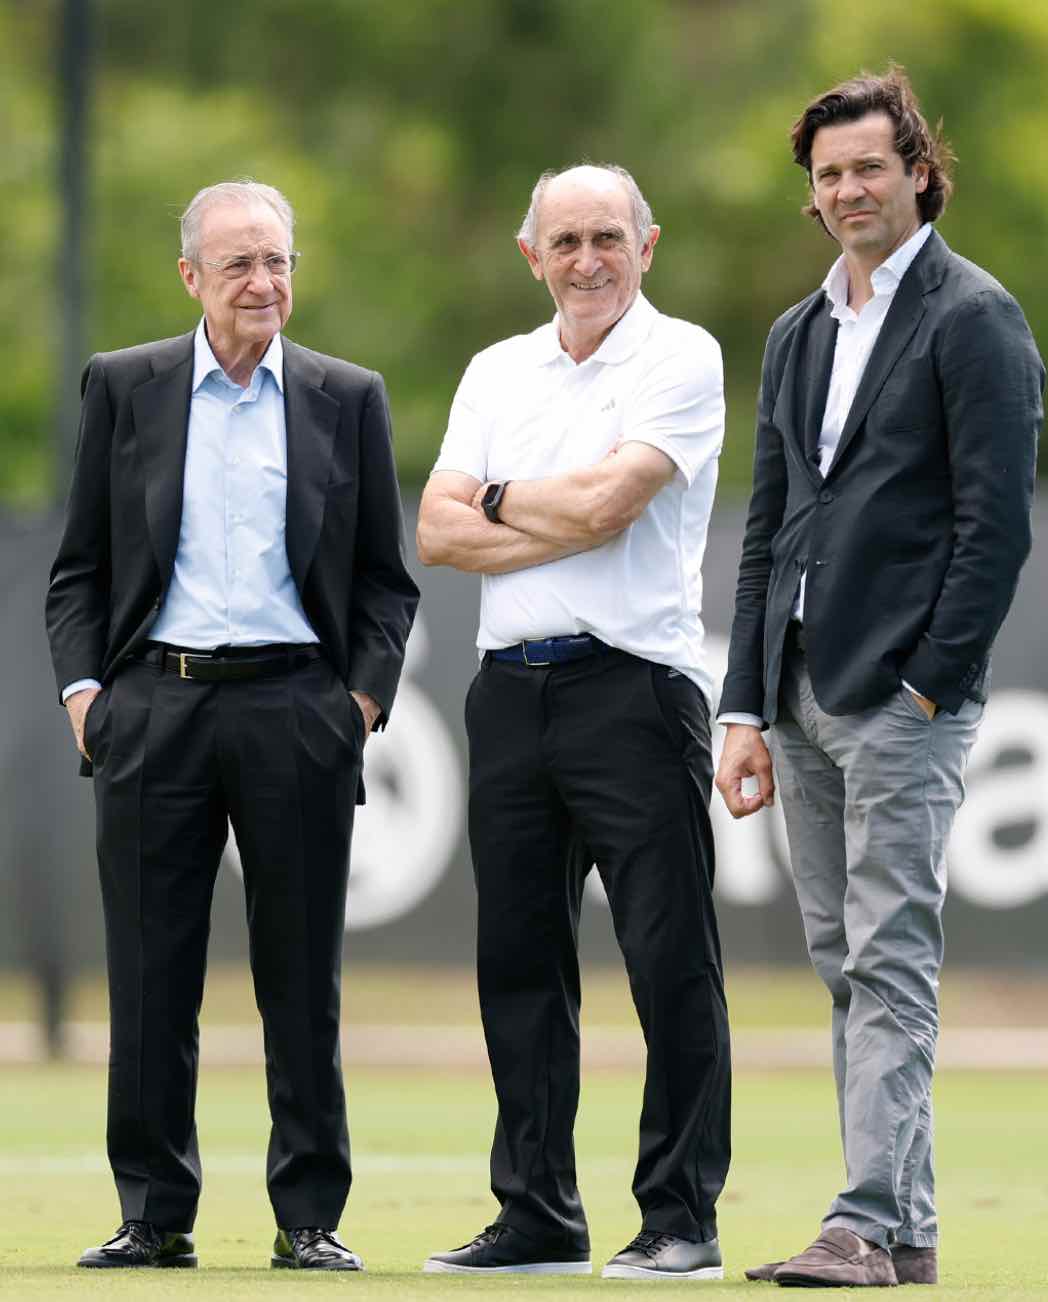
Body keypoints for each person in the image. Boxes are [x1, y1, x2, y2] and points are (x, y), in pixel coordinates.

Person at [46, 180, 418, 1272]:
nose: (263, 283)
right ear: (191, 277)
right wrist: (87, 699)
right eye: (239, 264)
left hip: (297, 708)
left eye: (278, 261)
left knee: (301, 979)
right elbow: (79, 568)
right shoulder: (124, 385)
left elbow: (385, 582)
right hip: (151, 708)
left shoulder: (349, 396)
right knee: (149, 976)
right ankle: (153, 1216)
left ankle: (309, 1218)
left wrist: (356, 704)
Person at [716, 69, 1043, 1288]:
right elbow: (767, 529)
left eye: (868, 165)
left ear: (917, 170)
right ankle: (902, 1235)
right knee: (845, 962)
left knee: (889, 957)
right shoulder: (797, 332)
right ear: (811, 195)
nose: (848, 189)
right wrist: (745, 703)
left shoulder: (976, 317)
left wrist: (928, 684)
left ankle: (858, 1220)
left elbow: (994, 528)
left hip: (902, 698)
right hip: (797, 692)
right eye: (828, 174)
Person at [416, 163, 731, 1281]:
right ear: (531, 255)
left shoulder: (681, 355)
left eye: (607, 237)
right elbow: (436, 532)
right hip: (508, 693)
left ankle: (680, 1219)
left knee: (668, 961)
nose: (587, 260)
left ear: (647, 244)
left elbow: (609, 507)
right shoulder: (496, 369)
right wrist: (542, 511)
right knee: (519, 965)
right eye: (566, 241)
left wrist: (501, 498)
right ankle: (538, 1214)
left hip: (634, 690)